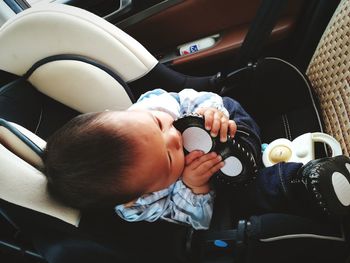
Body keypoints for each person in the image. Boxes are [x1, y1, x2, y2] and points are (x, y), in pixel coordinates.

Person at [43, 88, 350, 230]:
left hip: (230, 129)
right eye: (167, 156)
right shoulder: (139, 206)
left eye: (159, 126)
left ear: (118, 114)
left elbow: (187, 99)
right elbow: (196, 222)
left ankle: (249, 150)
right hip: (224, 179)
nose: (174, 136)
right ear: (146, 192)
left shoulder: (147, 109)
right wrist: (192, 186)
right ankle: (307, 181)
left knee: (229, 105)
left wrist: (210, 112)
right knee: (251, 192)